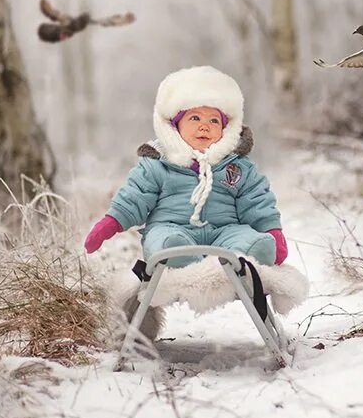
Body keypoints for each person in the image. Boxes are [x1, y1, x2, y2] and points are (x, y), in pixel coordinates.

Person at [84, 66, 288, 268]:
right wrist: (110, 223)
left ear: (226, 129)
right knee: (166, 241)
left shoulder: (236, 166)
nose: (204, 126)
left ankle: (249, 255)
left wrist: (272, 231)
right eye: (195, 118)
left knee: (248, 239)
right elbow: (135, 197)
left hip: (225, 231)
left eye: (214, 120)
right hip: (171, 228)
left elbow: (256, 201)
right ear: (176, 125)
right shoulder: (158, 163)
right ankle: (180, 257)